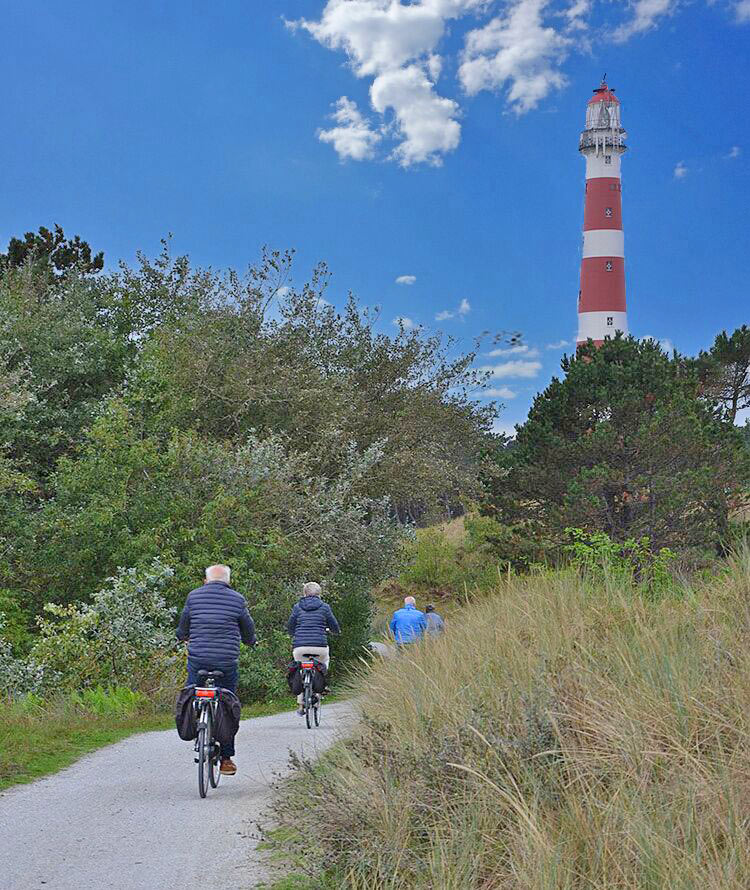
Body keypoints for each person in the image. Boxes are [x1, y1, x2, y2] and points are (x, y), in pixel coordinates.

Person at [176, 564, 256, 776]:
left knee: (192, 691)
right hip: (226, 662)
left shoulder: (193, 597)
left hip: (198, 659)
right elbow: (248, 628)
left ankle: (195, 724)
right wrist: (250, 641)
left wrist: (182, 636)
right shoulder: (237, 599)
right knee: (228, 704)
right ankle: (227, 759)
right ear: (228, 582)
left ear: (206, 580)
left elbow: (183, 626)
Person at [288, 582, 340, 716]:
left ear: (304, 593)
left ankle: (300, 704)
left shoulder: (297, 607)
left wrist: (293, 634)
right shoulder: (325, 607)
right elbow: (334, 625)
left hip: (300, 647)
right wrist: (335, 631)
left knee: (300, 669)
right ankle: (319, 692)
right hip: (319, 646)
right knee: (324, 662)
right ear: (319, 594)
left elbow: (290, 625)